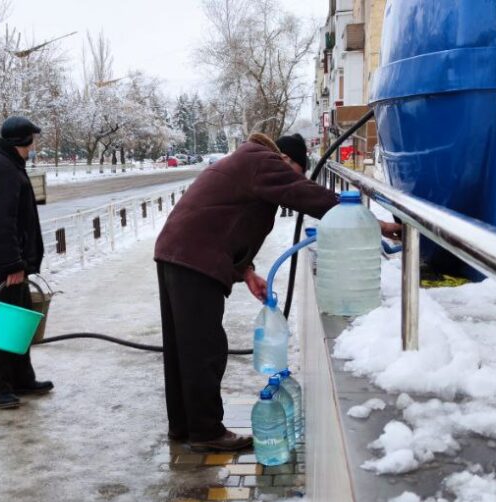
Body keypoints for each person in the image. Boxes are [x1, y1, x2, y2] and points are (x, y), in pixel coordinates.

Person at [154, 133, 402, 451]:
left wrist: (245, 271)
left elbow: (224, 219)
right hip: (193, 258)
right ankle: (205, 432)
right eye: (294, 171)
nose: (291, 179)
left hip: (178, 252)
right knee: (204, 349)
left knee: (183, 349)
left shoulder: (248, 161)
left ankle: (184, 428)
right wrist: (371, 222)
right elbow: (306, 194)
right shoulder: (262, 161)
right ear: (286, 159)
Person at [0, 116, 54, 409]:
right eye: (33, 139)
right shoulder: (1, 169)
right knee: (4, 326)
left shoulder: (7, 165)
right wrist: (12, 264)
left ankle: (21, 379)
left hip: (13, 263)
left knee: (18, 324)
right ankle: (0, 388)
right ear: (21, 141)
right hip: (4, 267)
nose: (35, 144)